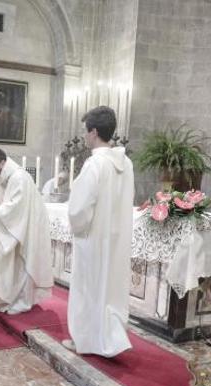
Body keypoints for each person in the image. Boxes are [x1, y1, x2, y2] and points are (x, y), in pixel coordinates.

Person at [63, 106, 134, 357]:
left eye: (86, 131)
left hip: (93, 238)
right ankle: (108, 336)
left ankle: (86, 340)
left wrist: (77, 227)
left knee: (88, 288)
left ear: (93, 132)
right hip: (116, 237)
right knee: (110, 287)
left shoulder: (95, 163)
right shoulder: (126, 163)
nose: (84, 137)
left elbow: (80, 208)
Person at [0, 148, 53, 315]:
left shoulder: (19, 177)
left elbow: (15, 208)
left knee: (21, 264)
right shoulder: (0, 178)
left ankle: (22, 301)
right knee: (10, 265)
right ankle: (8, 298)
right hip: (11, 227)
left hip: (24, 231)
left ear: (2, 163)